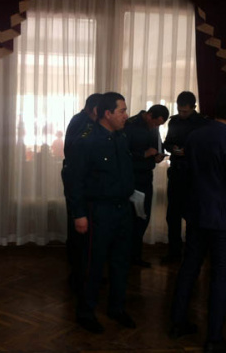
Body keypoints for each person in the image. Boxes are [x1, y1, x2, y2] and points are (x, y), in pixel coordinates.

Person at [170, 84, 226, 353]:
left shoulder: (195, 136)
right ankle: (214, 338)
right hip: (223, 222)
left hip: (196, 215)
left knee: (188, 269)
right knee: (220, 278)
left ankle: (177, 323)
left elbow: (186, 175)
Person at [64, 92, 135, 334]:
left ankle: (117, 308)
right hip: (98, 211)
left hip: (122, 209)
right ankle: (86, 312)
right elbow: (74, 180)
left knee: (121, 262)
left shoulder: (121, 138)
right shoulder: (86, 141)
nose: (126, 115)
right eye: (122, 111)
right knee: (93, 265)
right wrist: (79, 214)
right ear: (107, 114)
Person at [62, 93, 102, 292]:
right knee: (80, 233)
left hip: (79, 183)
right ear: (95, 110)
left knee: (82, 234)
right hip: (79, 185)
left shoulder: (81, 120)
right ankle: (79, 277)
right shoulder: (84, 124)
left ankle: (82, 273)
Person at [123, 104, 169, 268]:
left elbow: (156, 147)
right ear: (149, 115)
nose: (156, 127)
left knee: (143, 217)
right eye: (155, 123)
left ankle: (136, 256)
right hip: (131, 178)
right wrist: (143, 154)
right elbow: (121, 152)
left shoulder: (154, 128)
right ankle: (125, 257)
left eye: (159, 125)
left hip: (146, 177)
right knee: (130, 220)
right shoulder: (129, 125)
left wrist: (158, 156)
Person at [162, 91, 205, 263]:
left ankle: (192, 254)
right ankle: (174, 252)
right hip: (176, 173)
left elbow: (205, 148)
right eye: (179, 110)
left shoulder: (202, 123)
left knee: (192, 217)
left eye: (185, 111)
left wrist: (188, 151)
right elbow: (167, 142)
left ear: (194, 107)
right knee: (172, 215)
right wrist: (173, 148)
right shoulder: (174, 121)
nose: (182, 114)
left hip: (193, 175)